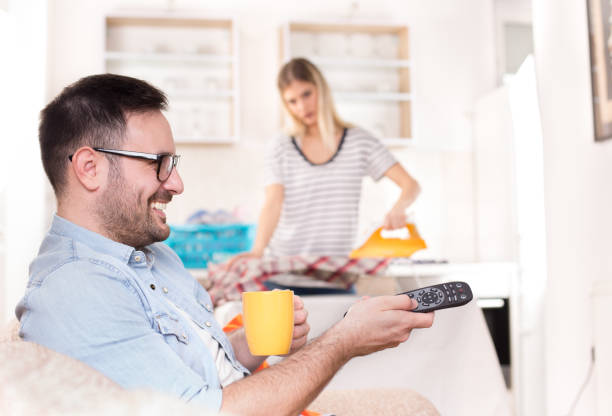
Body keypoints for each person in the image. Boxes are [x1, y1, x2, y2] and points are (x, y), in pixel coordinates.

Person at [16, 74, 434, 415]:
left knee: (417, 406)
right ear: (90, 168)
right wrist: (342, 341)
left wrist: (251, 344)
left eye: (173, 164)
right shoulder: (76, 290)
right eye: (159, 164)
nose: (176, 184)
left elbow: (187, 369)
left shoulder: (151, 256)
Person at [230, 58, 421, 293]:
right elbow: (273, 201)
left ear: (321, 88)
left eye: (306, 94)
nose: (301, 107)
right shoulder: (281, 146)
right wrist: (258, 250)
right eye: (292, 101)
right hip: (283, 278)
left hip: (337, 278)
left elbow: (410, 185)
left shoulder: (359, 142)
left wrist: (399, 208)